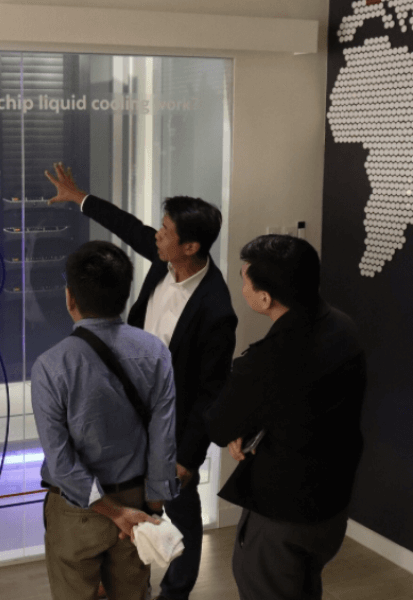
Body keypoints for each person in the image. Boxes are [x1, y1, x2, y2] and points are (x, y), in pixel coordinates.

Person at [46, 164, 237, 600]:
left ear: (190, 246)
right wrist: (79, 198)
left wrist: (187, 459)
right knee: (134, 509)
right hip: (131, 415)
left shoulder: (216, 308)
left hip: (172, 434)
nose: (157, 234)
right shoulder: (163, 258)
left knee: (181, 519)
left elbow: (211, 391)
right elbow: (130, 227)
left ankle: (176, 591)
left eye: (166, 230)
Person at [205, 235, 366, 600]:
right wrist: (255, 426)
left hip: (283, 515)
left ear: (264, 298)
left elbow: (218, 426)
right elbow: (309, 408)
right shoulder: (344, 329)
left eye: (245, 279)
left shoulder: (265, 362)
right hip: (332, 502)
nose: (242, 285)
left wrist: (243, 425)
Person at [31, 240, 179, 600]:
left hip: (75, 510)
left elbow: (61, 460)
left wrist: (107, 510)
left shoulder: (51, 365)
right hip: (136, 498)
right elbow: (164, 436)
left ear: (70, 299)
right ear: (125, 296)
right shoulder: (155, 351)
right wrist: (151, 506)